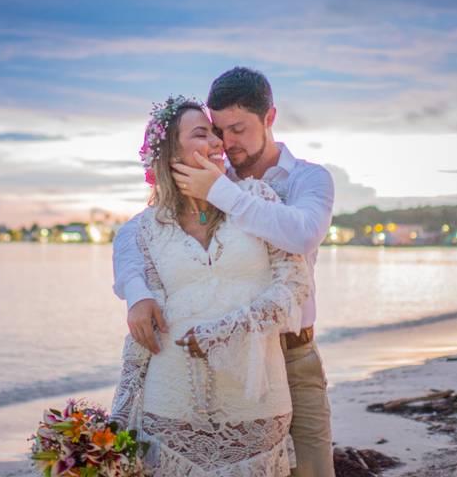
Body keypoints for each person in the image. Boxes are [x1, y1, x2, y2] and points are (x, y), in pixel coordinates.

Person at [114, 68, 336, 477]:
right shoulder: (216, 172)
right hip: (211, 367)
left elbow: (302, 237)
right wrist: (136, 291)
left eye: (237, 129)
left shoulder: (306, 179)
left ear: (270, 118)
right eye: (217, 130)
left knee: (312, 468)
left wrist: (220, 190)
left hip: (291, 350)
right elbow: (139, 231)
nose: (226, 142)